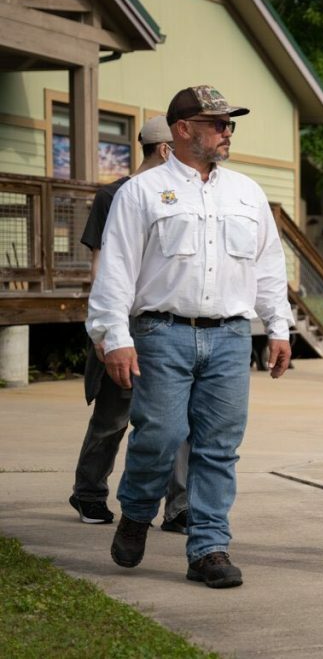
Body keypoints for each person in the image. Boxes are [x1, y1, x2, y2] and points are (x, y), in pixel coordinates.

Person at [86, 85, 293, 589]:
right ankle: (136, 511)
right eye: (217, 123)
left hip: (230, 336)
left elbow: (268, 266)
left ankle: (209, 548)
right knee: (159, 436)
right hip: (161, 332)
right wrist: (114, 335)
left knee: (219, 447)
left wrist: (279, 326)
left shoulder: (246, 193)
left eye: (229, 124)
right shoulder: (141, 192)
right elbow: (115, 268)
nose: (227, 132)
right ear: (183, 129)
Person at [71, 116, 189, 535]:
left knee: (177, 421)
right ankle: (88, 492)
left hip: (168, 327)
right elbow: (101, 266)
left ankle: (178, 507)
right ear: (164, 149)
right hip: (125, 323)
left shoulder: (185, 193)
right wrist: (105, 331)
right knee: (113, 417)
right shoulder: (114, 195)